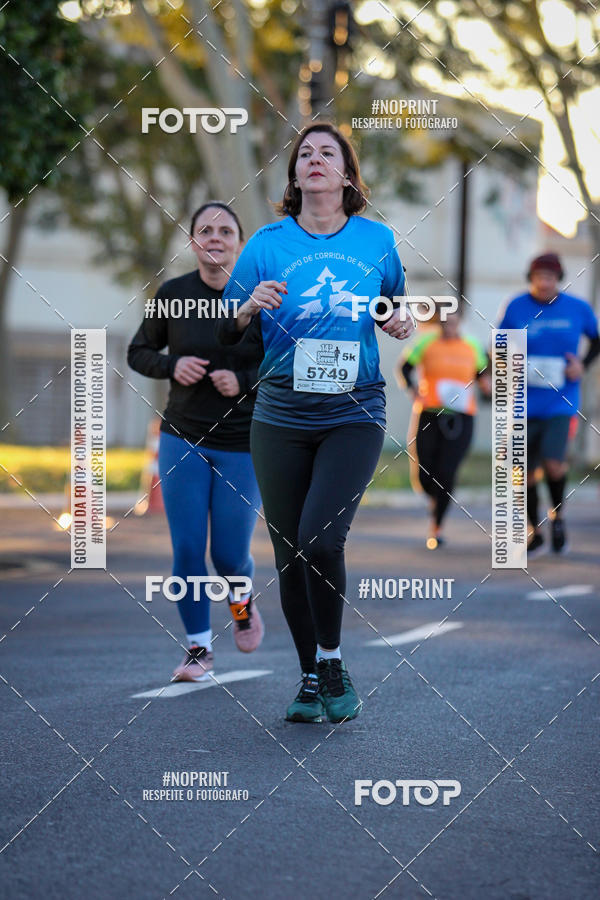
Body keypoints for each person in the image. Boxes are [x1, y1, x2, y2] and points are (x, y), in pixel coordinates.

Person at [216, 122, 414, 724]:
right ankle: (308, 678)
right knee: (287, 555)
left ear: (347, 174)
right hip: (279, 413)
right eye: (305, 154)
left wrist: (400, 322)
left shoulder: (376, 241)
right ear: (295, 174)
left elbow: (393, 304)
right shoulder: (267, 244)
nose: (316, 160)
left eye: (328, 153)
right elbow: (228, 328)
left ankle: (332, 660)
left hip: (353, 409)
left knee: (320, 539)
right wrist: (249, 305)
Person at [127, 202, 264, 681]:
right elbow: (138, 352)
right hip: (181, 436)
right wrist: (171, 366)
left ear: (239, 244)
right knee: (187, 548)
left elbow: (282, 366)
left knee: (228, 554)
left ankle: (242, 602)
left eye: (227, 230)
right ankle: (197, 649)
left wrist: (242, 381)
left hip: (242, 443)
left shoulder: (257, 298)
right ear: (192, 243)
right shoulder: (173, 294)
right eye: (205, 231)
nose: (216, 238)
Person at [497, 252, 600, 556]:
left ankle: (557, 517)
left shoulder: (577, 309)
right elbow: (500, 346)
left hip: (561, 402)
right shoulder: (516, 307)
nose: (545, 283)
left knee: (554, 464)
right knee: (521, 471)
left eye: (551, 277)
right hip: (522, 404)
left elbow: (596, 340)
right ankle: (535, 531)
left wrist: (581, 364)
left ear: (559, 280)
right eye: (539, 277)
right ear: (531, 278)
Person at [397, 309, 490, 549]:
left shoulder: (472, 345)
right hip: (429, 414)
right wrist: (412, 389)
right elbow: (405, 368)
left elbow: (484, 373)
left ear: (460, 323)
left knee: (447, 472)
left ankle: (436, 528)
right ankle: (433, 498)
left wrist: (487, 385)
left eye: (454, 322)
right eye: (445, 323)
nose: (449, 327)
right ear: (439, 323)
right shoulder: (426, 342)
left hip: (461, 418)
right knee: (424, 472)